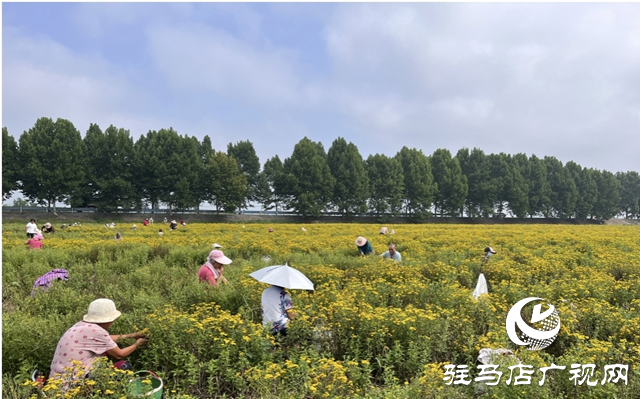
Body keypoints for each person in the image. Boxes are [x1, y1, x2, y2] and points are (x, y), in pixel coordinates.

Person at [48, 299, 147, 379]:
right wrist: (137, 344)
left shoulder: (82, 325)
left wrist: (132, 335)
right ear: (108, 319)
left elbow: (107, 339)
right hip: (74, 381)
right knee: (124, 367)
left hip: (57, 380)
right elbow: (119, 354)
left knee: (104, 352)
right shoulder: (97, 331)